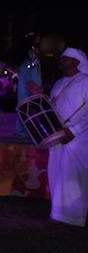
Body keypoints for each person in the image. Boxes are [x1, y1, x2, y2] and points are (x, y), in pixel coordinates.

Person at [27, 48, 88, 226]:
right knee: (56, 174)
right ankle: (58, 213)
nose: (61, 61)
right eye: (61, 58)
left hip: (78, 138)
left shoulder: (85, 81)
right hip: (59, 135)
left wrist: (73, 131)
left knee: (72, 176)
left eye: (65, 59)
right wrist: (41, 96)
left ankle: (74, 216)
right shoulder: (59, 83)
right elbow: (53, 108)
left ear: (77, 62)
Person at [15, 33, 42, 137]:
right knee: (24, 106)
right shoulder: (27, 51)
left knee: (34, 107)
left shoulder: (35, 50)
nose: (39, 39)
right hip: (26, 82)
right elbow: (26, 67)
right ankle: (22, 130)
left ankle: (33, 129)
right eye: (38, 37)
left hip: (35, 80)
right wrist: (35, 61)